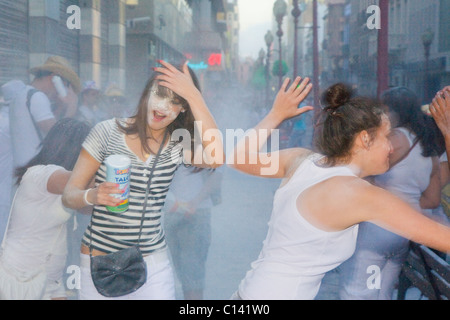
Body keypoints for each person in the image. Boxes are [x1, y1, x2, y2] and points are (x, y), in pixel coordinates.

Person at [228, 79, 450, 300]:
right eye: (386, 136)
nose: (392, 146)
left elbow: (239, 159)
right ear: (365, 139)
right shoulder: (358, 194)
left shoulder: (302, 160)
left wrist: (276, 114)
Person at [62, 60, 224, 300]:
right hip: (99, 262)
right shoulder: (106, 131)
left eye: (176, 101)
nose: (164, 106)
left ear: (182, 109)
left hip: (153, 265)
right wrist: (92, 195)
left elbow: (216, 157)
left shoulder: (177, 144)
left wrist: (193, 95)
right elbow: (69, 195)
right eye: (159, 95)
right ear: (146, 94)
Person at [338, 86, 442, 300]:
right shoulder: (427, 146)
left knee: (356, 291)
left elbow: (359, 171)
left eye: (384, 110)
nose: (380, 115)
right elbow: (432, 200)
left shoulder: (395, 139)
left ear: (398, 112)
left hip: (377, 231)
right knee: (383, 293)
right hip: (402, 235)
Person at [0, 118, 91, 300]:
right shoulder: (42, 174)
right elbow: (80, 183)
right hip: (19, 277)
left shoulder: (61, 181)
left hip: (49, 280)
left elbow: (88, 207)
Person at [4, 56, 80, 169]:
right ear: (55, 78)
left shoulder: (23, 95)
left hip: (23, 174)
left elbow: (41, 130)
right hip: (34, 175)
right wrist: (71, 108)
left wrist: (60, 108)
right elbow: (58, 138)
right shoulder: (37, 97)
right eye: (65, 85)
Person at [164, 165, 223, 300]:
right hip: (171, 212)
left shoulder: (208, 145)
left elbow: (216, 175)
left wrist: (195, 202)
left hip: (196, 214)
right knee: (182, 273)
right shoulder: (170, 144)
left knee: (193, 278)